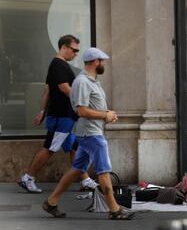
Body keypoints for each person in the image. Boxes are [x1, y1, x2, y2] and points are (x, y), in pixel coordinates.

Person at [43, 47, 134, 220]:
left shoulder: (92, 82)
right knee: (104, 171)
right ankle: (114, 209)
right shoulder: (83, 82)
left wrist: (107, 113)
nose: (103, 64)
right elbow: (81, 111)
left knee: (77, 168)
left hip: (90, 131)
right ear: (95, 62)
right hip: (91, 134)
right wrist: (104, 115)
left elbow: (92, 107)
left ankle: (51, 201)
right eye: (102, 61)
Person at [18, 35, 97, 193]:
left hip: (65, 115)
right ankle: (28, 178)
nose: (76, 54)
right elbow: (64, 88)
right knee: (50, 148)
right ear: (63, 48)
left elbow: (47, 90)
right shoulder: (58, 64)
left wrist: (42, 111)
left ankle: (85, 180)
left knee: (75, 147)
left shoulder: (58, 65)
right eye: (74, 50)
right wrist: (82, 103)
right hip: (62, 116)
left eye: (77, 51)